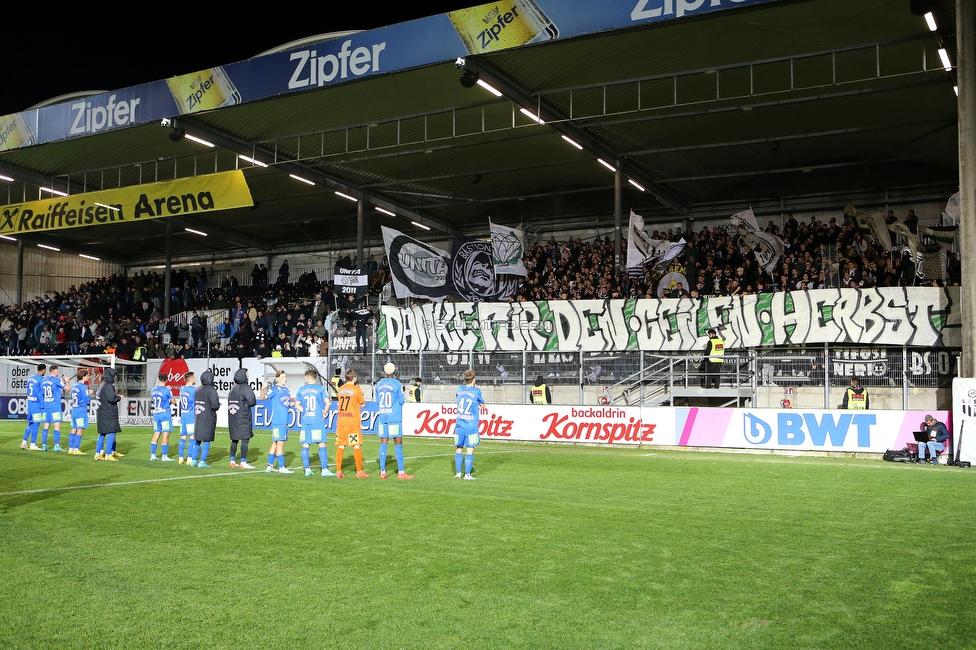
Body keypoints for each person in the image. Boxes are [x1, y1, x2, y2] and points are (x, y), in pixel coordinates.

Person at [375, 362, 413, 480]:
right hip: (394, 417)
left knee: (383, 444)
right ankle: (401, 472)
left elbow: (377, 401)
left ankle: (382, 471)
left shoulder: (378, 384)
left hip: (383, 418)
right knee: (398, 444)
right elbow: (402, 401)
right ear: (394, 371)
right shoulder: (397, 384)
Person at [295, 369, 335, 477]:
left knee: (306, 444)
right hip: (317, 420)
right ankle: (324, 470)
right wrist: (324, 413)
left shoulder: (301, 389)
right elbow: (328, 403)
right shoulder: (321, 389)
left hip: (306, 420)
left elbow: (296, 405)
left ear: (307, 377)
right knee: (321, 443)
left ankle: (307, 470)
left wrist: (305, 411)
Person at [335, 368, 368, 478]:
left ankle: (338, 471)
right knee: (357, 446)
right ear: (354, 378)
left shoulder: (340, 389)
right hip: (352, 422)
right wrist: (362, 393)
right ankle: (359, 471)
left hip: (341, 422)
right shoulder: (356, 390)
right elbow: (363, 404)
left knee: (341, 446)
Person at [262, 370, 295, 474]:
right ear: (277, 379)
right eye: (283, 377)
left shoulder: (286, 390)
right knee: (280, 442)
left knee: (275, 443)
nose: (285, 378)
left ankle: (269, 466)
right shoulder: (274, 389)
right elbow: (263, 398)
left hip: (282, 420)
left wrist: (294, 403)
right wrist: (262, 389)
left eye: (285, 377)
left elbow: (286, 404)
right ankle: (281, 467)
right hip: (279, 420)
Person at [455, 369, 484, 481]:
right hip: (471, 425)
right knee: (470, 448)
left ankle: (458, 473)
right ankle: (467, 474)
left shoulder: (460, 389)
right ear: (474, 379)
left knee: (458, 447)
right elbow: (482, 405)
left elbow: (459, 397)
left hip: (460, 424)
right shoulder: (476, 391)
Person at [227, 368, 256, 470]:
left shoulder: (233, 389)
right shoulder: (246, 388)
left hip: (233, 417)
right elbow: (252, 401)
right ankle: (243, 461)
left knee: (234, 439)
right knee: (245, 439)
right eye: (247, 373)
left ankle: (232, 461)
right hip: (243, 417)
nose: (248, 375)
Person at [94, 367, 124, 461]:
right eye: (114, 376)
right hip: (108, 413)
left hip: (102, 412)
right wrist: (119, 397)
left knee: (102, 433)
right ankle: (108, 454)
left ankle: (98, 453)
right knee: (111, 432)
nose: (115, 377)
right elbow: (111, 399)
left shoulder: (102, 384)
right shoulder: (108, 385)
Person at [191, 370, 220, 468]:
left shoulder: (198, 389)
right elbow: (215, 405)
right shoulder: (212, 390)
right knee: (206, 439)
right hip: (208, 417)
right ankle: (202, 461)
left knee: (197, 439)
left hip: (198, 417)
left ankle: (193, 460)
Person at [149, 373, 177, 461]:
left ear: (158, 379)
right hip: (165, 415)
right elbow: (173, 402)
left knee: (156, 434)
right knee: (166, 434)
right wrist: (169, 391)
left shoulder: (153, 390)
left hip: (156, 414)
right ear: (166, 380)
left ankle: (152, 455)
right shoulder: (167, 391)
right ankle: (164, 456)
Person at [40, 365, 66, 452]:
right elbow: (67, 388)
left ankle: (44, 445)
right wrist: (66, 381)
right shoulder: (57, 380)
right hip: (55, 406)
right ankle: (56, 446)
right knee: (57, 425)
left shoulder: (44, 380)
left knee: (46, 425)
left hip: (46, 405)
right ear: (55, 371)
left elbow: (42, 392)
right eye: (57, 371)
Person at [21, 363, 45, 450]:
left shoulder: (30, 377)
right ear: (44, 370)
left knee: (30, 423)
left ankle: (24, 443)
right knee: (36, 424)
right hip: (37, 404)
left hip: (30, 404)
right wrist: (42, 405)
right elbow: (39, 393)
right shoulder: (41, 379)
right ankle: (32, 444)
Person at [67, 368, 91, 455]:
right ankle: (76, 449)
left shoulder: (74, 386)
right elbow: (87, 399)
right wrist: (89, 393)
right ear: (83, 377)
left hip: (74, 410)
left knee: (74, 429)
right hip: (81, 410)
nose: (88, 377)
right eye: (87, 375)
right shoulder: (84, 387)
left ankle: (70, 449)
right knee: (80, 429)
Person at [178, 372, 197, 464]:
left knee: (183, 437)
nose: (195, 379)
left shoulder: (182, 389)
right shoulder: (193, 390)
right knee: (192, 437)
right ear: (191, 379)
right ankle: (189, 459)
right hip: (190, 416)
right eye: (194, 377)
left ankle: (180, 458)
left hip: (183, 417)